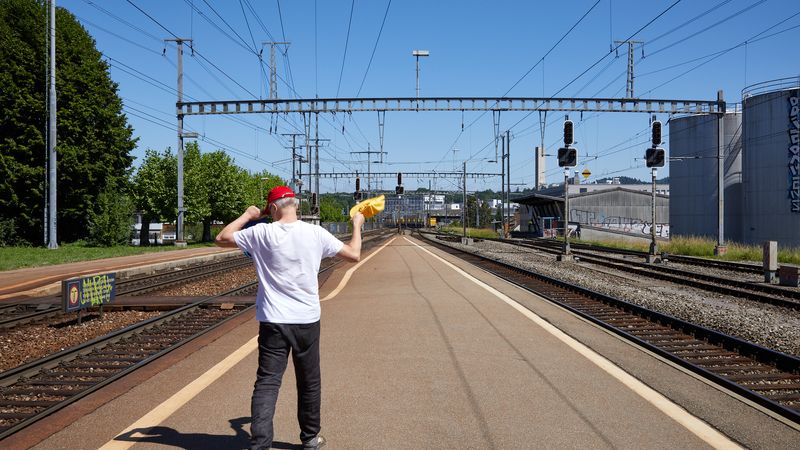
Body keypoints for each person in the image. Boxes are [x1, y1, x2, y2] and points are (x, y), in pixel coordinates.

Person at [215, 186, 364, 450]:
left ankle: (260, 444)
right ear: (295, 205)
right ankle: (309, 438)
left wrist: (248, 214)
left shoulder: (261, 232)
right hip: (306, 319)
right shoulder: (315, 233)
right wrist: (357, 224)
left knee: (268, 381)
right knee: (309, 380)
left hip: (273, 320)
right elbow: (354, 254)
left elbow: (223, 237)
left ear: (272, 208)